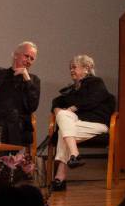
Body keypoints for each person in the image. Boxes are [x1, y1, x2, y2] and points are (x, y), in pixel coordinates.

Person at [49, 55, 115, 191]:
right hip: (76, 124)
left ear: (87, 69)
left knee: (63, 131)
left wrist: (74, 107)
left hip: (97, 124)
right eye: (70, 68)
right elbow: (56, 101)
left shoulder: (96, 82)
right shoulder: (73, 89)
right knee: (63, 121)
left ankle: (60, 177)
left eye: (74, 67)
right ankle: (74, 155)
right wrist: (56, 110)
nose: (71, 70)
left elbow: (93, 99)